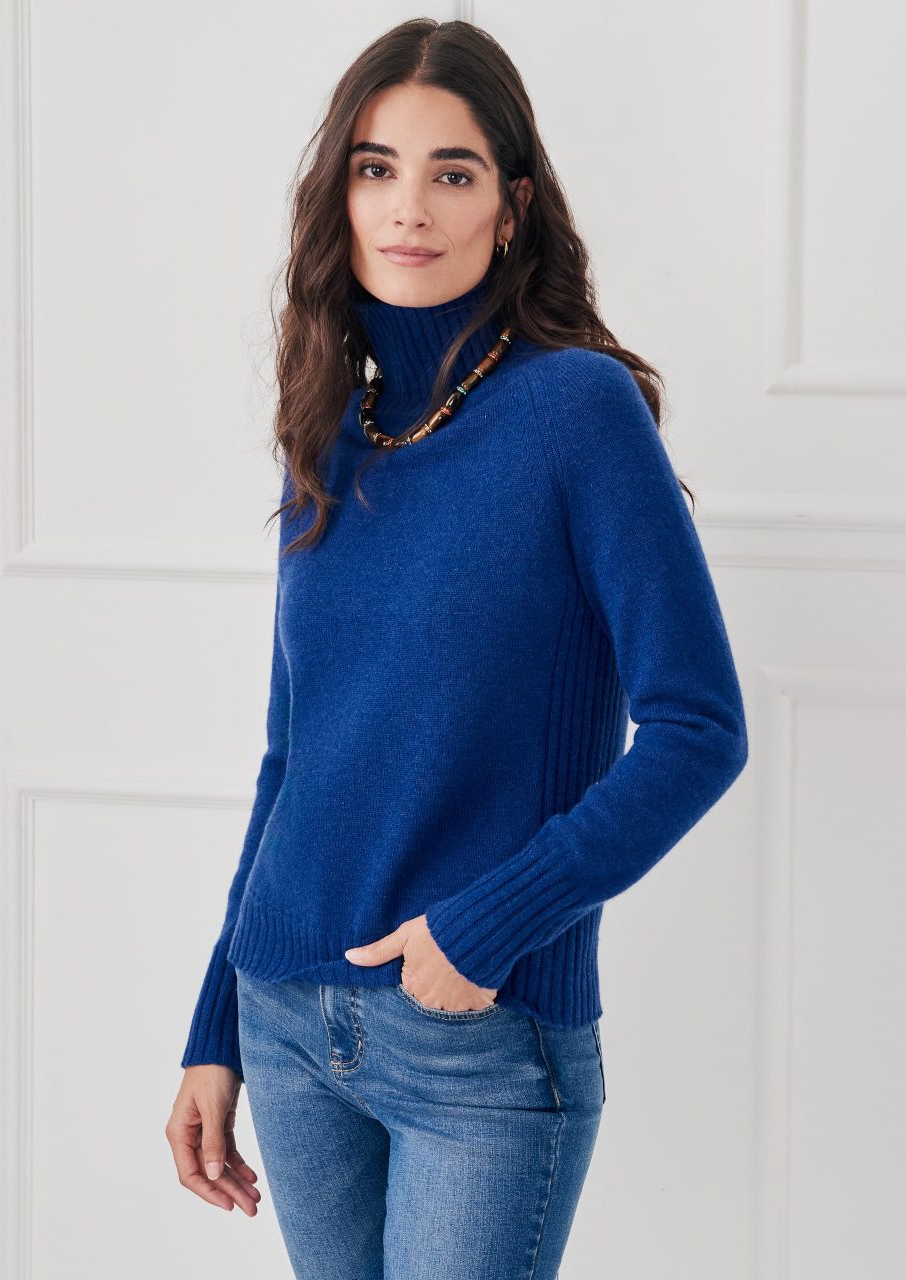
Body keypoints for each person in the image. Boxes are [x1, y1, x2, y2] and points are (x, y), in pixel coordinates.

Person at [165, 17, 748, 1279]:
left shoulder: (577, 408)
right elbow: (293, 755)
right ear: (340, 195)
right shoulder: (332, 428)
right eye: (376, 168)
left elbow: (701, 727)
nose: (408, 208)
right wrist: (216, 1021)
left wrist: (490, 925)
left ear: (512, 203)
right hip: (286, 1016)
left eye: (453, 171)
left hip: (477, 1042)